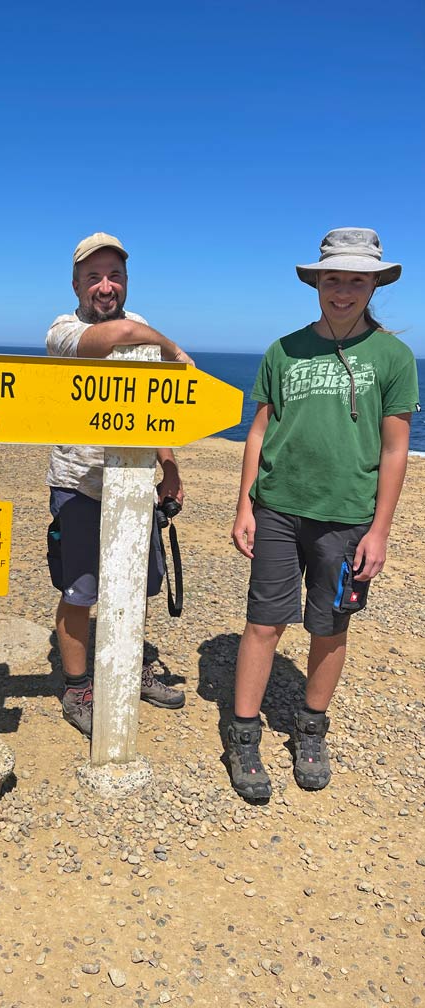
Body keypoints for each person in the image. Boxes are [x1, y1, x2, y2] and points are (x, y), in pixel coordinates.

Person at [228, 228, 419, 801]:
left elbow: (394, 448)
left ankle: (311, 730)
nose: (342, 291)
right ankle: (242, 734)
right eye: (333, 278)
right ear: (316, 281)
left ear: (374, 284)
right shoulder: (283, 350)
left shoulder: (393, 357)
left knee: (330, 627)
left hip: (347, 517)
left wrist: (380, 530)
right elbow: (260, 429)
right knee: (264, 621)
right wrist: (245, 504)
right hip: (279, 509)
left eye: (356, 280)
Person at [46, 231, 195, 738]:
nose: (105, 286)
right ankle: (76, 686)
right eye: (94, 277)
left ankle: (130, 666)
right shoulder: (63, 330)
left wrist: (169, 465)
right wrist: (169, 345)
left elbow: (153, 407)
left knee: (139, 584)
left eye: (114, 276)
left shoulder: (141, 329)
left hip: (135, 484)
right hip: (78, 484)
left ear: (126, 281)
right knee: (81, 589)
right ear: (76, 285)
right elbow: (109, 339)